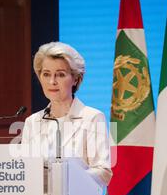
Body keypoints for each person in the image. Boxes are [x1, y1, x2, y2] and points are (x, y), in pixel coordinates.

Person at [21, 41, 112, 186]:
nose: (52, 81)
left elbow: (103, 172)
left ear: (75, 79)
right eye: (46, 74)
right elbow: (24, 170)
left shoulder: (92, 118)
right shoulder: (32, 122)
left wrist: (64, 180)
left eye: (60, 75)